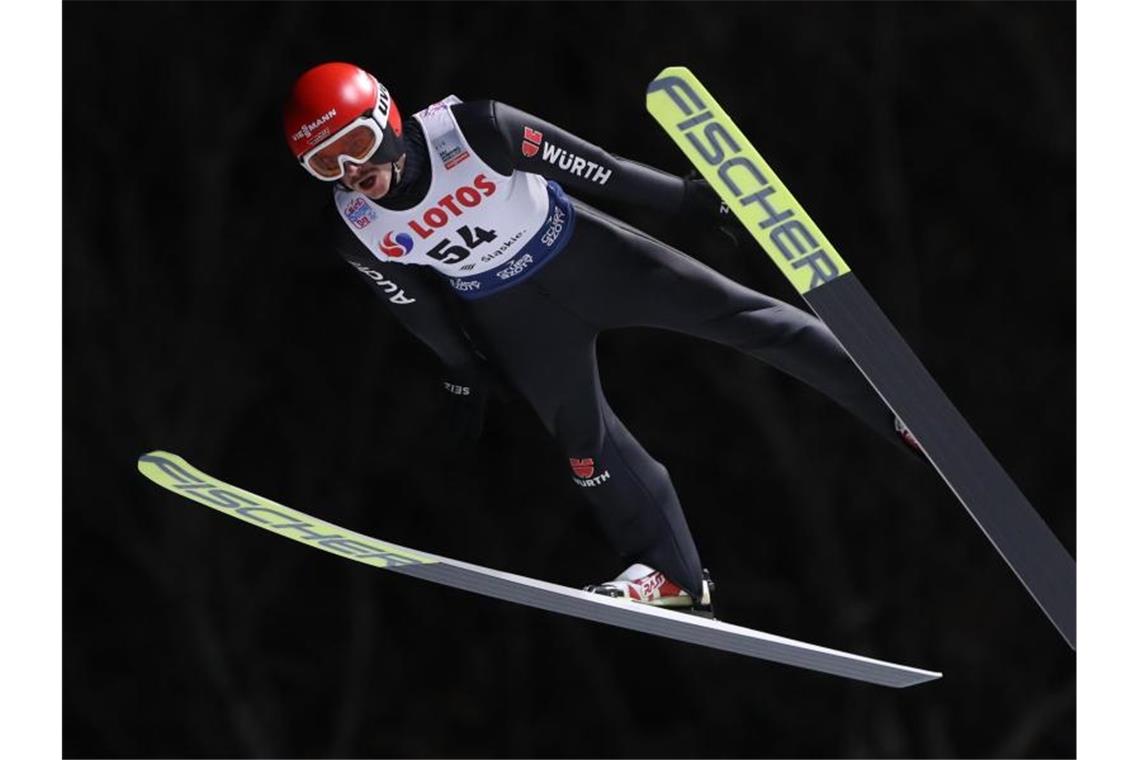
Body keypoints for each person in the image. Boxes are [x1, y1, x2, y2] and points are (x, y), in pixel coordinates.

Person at [283, 61, 916, 617]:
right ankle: (673, 574)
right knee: (586, 451)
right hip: (515, 316)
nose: (352, 170)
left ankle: (895, 405)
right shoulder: (354, 226)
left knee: (746, 319)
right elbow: (412, 304)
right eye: (325, 164)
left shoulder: (476, 131)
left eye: (358, 144)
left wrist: (695, 202)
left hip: (590, 258)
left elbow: (600, 170)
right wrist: (460, 368)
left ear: (388, 119)